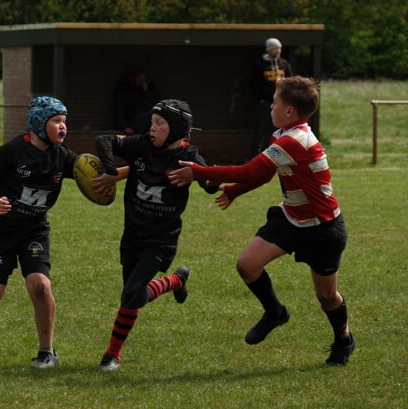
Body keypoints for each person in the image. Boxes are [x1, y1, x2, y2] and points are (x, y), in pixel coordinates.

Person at [167, 77, 355, 366]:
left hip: (323, 228)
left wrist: (199, 171)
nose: (271, 105)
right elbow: (263, 175)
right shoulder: (284, 134)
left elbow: (249, 170)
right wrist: (234, 191)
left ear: (289, 110)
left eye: (276, 101)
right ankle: (275, 312)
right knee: (247, 265)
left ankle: (343, 339)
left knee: (327, 298)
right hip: (291, 218)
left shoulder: (296, 140)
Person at [0, 96, 78, 369]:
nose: (63, 127)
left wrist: (134, 172)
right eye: (57, 121)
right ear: (40, 123)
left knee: (40, 286)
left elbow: (95, 176)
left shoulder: (63, 156)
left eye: (65, 121)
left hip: (35, 231)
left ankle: (46, 352)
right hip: (2, 232)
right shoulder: (12, 150)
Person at [92, 99, 219, 371]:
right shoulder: (141, 146)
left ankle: (112, 355)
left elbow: (211, 185)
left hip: (161, 241)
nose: (152, 128)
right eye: (152, 122)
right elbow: (104, 140)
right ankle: (175, 281)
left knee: (130, 295)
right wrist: (111, 170)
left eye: (160, 124)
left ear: (176, 129)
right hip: (132, 237)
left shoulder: (189, 156)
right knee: (133, 298)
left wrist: (199, 173)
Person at [249, 37, 293, 157]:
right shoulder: (259, 65)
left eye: (279, 48)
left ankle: (278, 154)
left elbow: (290, 80)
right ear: (269, 50)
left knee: (280, 128)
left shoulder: (284, 63)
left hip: (281, 103)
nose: (278, 51)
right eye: (275, 49)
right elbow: (253, 83)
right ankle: (256, 155)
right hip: (265, 103)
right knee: (261, 129)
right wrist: (260, 99)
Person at [113, 68, 161, 134]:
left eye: (144, 79)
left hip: (147, 118)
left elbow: (157, 102)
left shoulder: (149, 87)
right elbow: (119, 109)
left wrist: (146, 91)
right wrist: (125, 126)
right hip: (133, 119)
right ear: (133, 78)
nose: (142, 81)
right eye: (139, 79)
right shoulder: (124, 89)